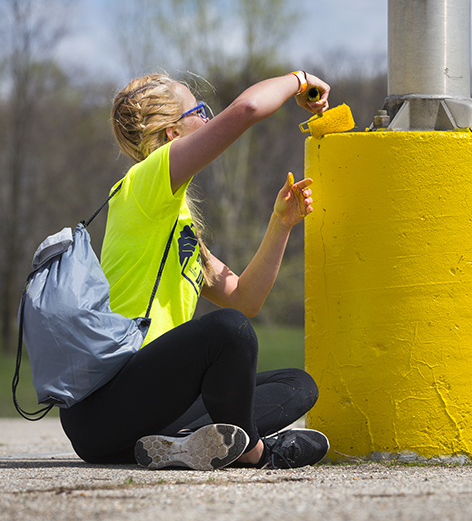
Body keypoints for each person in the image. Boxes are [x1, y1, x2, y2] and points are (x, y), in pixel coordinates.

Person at [59, 70, 332, 470]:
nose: (209, 119)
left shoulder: (177, 225)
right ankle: (255, 451)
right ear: (172, 134)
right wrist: (300, 79)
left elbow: (245, 297)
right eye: (200, 111)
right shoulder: (144, 183)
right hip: (102, 409)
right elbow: (248, 109)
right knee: (227, 331)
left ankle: (180, 446)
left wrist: (281, 224)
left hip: (145, 419)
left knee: (296, 384)